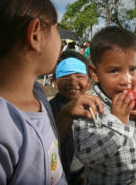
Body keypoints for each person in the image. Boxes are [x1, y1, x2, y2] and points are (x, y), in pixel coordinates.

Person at [0, 0, 102, 184]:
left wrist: (65, 114)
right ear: (35, 35)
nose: (59, 38)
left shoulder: (35, 93)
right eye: (56, 28)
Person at [72, 26, 136, 184]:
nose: (126, 80)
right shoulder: (90, 107)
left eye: (133, 69)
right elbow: (86, 155)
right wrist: (118, 122)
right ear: (95, 73)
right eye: (115, 70)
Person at [49, 51, 90, 184]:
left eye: (79, 75)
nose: (73, 82)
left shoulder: (94, 108)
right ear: (54, 82)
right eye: (66, 76)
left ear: (88, 81)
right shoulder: (48, 111)